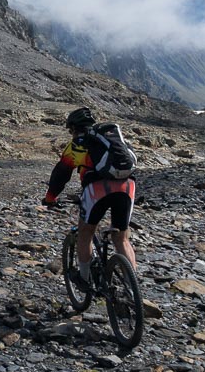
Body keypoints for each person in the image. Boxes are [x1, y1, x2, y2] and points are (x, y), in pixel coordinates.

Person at [42, 107, 137, 290]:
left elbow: (61, 174)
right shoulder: (114, 140)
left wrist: (50, 198)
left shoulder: (78, 143)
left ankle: (85, 281)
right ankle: (132, 289)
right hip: (127, 186)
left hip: (97, 189)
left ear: (73, 128)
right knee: (122, 238)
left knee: (86, 232)